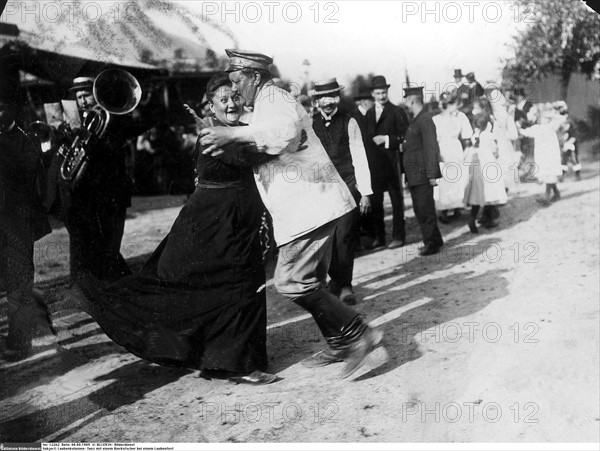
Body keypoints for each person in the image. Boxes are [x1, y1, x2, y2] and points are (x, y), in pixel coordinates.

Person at [59, 73, 277, 384]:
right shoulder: (213, 136)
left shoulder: (237, 130)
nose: (231, 104)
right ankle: (237, 365)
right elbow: (256, 153)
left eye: (235, 97)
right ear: (212, 107)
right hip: (213, 220)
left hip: (238, 218)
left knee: (241, 282)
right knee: (232, 282)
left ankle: (225, 359)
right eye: (223, 100)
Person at [200, 49, 387, 379]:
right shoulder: (266, 103)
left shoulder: (274, 99)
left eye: (237, 79)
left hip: (312, 208)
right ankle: (340, 341)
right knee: (309, 282)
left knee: (290, 282)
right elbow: (271, 145)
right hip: (310, 207)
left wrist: (231, 133)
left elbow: (284, 133)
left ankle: (360, 333)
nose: (234, 86)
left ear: (254, 77)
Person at [49, 76, 142, 283]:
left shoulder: (114, 119)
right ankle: (90, 287)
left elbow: (115, 151)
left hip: (110, 192)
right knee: (87, 243)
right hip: (83, 193)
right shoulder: (75, 121)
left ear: (97, 95)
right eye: (79, 97)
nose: (83, 102)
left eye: (87, 95)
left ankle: (109, 288)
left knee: (108, 244)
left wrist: (91, 141)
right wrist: (62, 142)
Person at [0, 82, 52, 361]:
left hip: (17, 223)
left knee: (18, 283)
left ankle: (20, 343)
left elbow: (32, 168)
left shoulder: (25, 136)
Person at [311, 78, 373, 306]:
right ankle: (334, 280)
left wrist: (365, 192)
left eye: (332, 97)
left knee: (345, 235)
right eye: (323, 98)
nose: (328, 102)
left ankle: (345, 284)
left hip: (347, 185)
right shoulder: (310, 124)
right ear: (317, 101)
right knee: (328, 238)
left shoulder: (350, 122)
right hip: (322, 189)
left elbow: (360, 156)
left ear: (338, 98)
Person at [365, 75, 410, 249]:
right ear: (373, 94)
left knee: (396, 200)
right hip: (375, 164)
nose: (382, 96)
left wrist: (387, 139)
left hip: (392, 163)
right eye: (378, 93)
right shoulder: (369, 114)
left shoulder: (396, 111)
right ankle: (380, 236)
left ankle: (399, 236)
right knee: (376, 202)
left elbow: (406, 136)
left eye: (384, 93)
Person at [402, 86, 444, 255]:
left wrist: (432, 175)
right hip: (415, 175)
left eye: (406, 100)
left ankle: (432, 243)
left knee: (425, 209)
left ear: (412, 100)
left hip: (422, 175)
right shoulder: (417, 119)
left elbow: (431, 147)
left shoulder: (425, 119)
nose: (405, 103)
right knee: (420, 209)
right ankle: (433, 239)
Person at [464, 98, 508, 233]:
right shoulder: (488, 135)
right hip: (488, 164)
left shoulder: (475, 135)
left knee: (478, 193)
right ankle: (488, 218)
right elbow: (494, 150)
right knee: (489, 191)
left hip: (476, 163)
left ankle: (474, 217)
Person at [432, 91, 473, 223]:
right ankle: (443, 209)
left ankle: (457, 207)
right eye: (453, 104)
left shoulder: (460, 117)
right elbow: (434, 139)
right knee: (444, 179)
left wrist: (467, 150)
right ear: (446, 104)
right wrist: (437, 154)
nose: (456, 106)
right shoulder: (436, 119)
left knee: (457, 178)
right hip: (442, 149)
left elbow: (468, 134)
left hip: (455, 148)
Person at [518, 104, 563, 205]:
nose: (543, 120)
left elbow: (561, 119)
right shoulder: (537, 127)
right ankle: (556, 193)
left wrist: (552, 115)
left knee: (549, 174)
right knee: (548, 174)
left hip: (550, 155)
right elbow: (527, 132)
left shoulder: (551, 126)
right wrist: (519, 129)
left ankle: (547, 196)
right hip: (542, 155)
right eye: (542, 118)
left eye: (546, 118)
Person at [489, 88, 521, 195]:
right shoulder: (505, 114)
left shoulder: (493, 115)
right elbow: (513, 134)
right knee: (507, 164)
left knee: (500, 164)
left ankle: (503, 188)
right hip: (503, 142)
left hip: (497, 142)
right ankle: (507, 187)